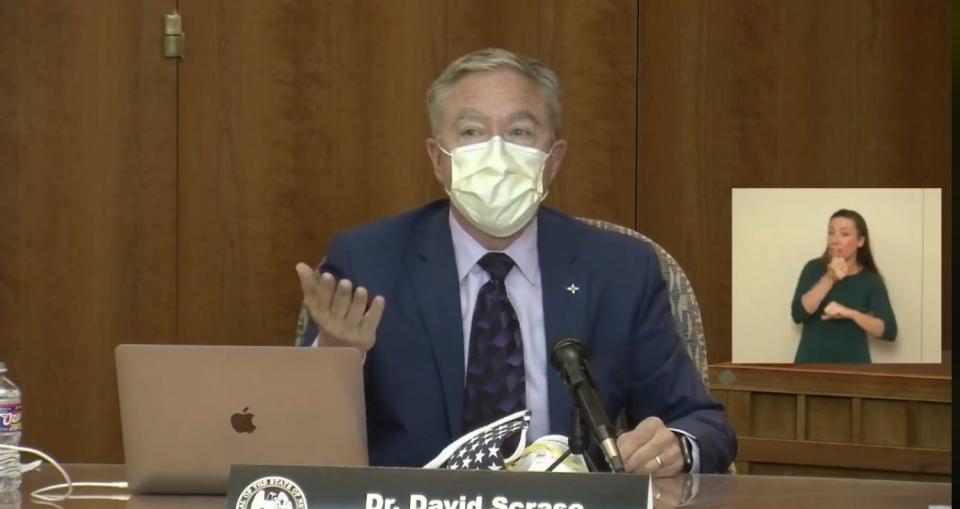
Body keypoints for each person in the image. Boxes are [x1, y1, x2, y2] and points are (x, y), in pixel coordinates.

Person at [294, 48, 736, 476]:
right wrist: (338, 357)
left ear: (553, 159)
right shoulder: (369, 263)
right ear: (437, 159)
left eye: (520, 133)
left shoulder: (619, 270)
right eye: (471, 132)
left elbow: (702, 426)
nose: (497, 153)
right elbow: (299, 436)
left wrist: (673, 448)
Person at [791, 209, 898, 363]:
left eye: (844, 234)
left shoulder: (871, 280)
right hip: (810, 366)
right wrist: (829, 279)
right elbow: (797, 315)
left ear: (860, 241)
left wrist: (850, 313)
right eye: (831, 232)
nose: (835, 240)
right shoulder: (813, 268)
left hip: (854, 370)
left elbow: (889, 331)